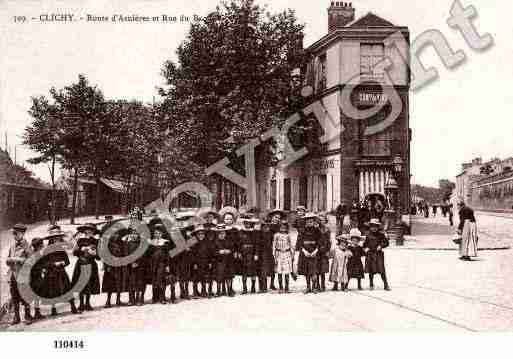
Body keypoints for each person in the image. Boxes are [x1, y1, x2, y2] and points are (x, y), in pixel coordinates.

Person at [43, 226, 78, 315]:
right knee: (52, 291)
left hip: (61, 272)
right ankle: (53, 309)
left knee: (67, 289)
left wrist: (62, 263)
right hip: (51, 274)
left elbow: (67, 261)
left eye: (58, 239)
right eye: (54, 239)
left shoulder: (61, 250)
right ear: (51, 240)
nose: (56, 241)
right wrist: (54, 264)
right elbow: (44, 263)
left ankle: (73, 306)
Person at [6, 223, 33, 325]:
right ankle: (16, 317)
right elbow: (8, 259)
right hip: (13, 274)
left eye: (15, 233)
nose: (14, 236)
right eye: (13, 234)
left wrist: (18, 259)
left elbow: (31, 260)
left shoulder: (27, 245)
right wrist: (9, 260)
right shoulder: (12, 246)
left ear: (22, 234)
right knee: (14, 296)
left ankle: (27, 316)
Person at [71, 223, 101, 311]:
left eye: (91, 230)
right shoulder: (80, 241)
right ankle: (81, 304)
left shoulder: (96, 241)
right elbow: (74, 253)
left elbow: (99, 257)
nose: (89, 232)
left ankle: (87, 303)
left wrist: (95, 254)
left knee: (89, 284)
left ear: (93, 232)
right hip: (81, 263)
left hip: (91, 264)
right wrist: (81, 249)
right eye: (87, 230)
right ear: (84, 231)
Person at [101, 228, 129, 308]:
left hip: (119, 266)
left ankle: (118, 300)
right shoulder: (108, 244)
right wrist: (107, 265)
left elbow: (125, 254)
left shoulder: (122, 243)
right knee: (109, 284)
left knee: (119, 283)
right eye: (114, 234)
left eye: (117, 234)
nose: (116, 236)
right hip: (110, 266)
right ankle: (108, 301)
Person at [296, 213, 321, 294]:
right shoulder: (302, 231)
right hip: (305, 253)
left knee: (314, 271)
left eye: (311, 221)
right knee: (306, 272)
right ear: (305, 222)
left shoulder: (317, 231)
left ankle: (314, 287)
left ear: (314, 222)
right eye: (308, 221)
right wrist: (304, 251)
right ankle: (308, 287)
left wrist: (316, 251)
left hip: (314, 253)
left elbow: (320, 242)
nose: (310, 223)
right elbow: (299, 243)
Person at [363, 219, 390, 291]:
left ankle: (385, 284)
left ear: (378, 227)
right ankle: (371, 284)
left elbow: (386, 243)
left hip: (378, 254)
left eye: (375, 226)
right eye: (372, 226)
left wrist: (381, 246)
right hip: (370, 254)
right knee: (371, 270)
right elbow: (365, 244)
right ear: (370, 227)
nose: (374, 228)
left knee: (381, 270)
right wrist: (365, 248)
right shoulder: (368, 235)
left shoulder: (381, 235)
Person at [125, 228, 148, 306]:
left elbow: (143, 255)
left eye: (136, 233)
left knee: (140, 282)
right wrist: (131, 262)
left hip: (141, 266)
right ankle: (131, 299)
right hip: (130, 266)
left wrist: (137, 262)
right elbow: (126, 254)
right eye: (133, 233)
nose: (134, 235)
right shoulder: (128, 243)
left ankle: (140, 299)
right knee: (131, 282)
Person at [148, 224, 171, 304]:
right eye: (155, 233)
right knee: (154, 280)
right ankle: (155, 297)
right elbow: (148, 254)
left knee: (161, 280)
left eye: (158, 233)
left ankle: (162, 298)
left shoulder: (165, 242)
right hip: (153, 264)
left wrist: (167, 265)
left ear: (161, 234)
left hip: (162, 264)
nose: (157, 235)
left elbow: (167, 255)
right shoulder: (151, 242)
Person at [191, 225, 214, 298]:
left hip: (205, 262)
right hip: (197, 263)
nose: (201, 235)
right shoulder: (194, 243)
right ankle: (195, 291)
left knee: (204, 277)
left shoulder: (207, 242)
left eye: (202, 234)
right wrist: (194, 263)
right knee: (196, 277)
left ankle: (204, 291)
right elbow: (192, 254)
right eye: (199, 234)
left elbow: (210, 253)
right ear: (196, 235)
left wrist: (210, 262)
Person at [272, 220, 294, 293]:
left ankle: (287, 287)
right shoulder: (276, 235)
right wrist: (274, 255)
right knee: (279, 271)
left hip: (287, 254)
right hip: (279, 253)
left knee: (287, 271)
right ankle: (281, 287)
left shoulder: (288, 235)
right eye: (281, 227)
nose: (283, 228)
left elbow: (291, 245)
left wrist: (292, 255)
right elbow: (274, 246)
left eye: (284, 227)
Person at [239, 218, 260, 294]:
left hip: (252, 253)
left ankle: (253, 287)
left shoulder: (255, 232)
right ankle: (244, 288)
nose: (247, 225)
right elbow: (238, 243)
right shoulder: (241, 232)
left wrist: (256, 254)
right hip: (244, 253)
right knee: (244, 271)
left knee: (253, 271)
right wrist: (239, 252)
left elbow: (257, 244)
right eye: (246, 223)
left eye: (249, 223)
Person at [214, 225, 235, 296]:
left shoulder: (228, 241)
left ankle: (229, 290)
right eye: (220, 233)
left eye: (223, 233)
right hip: (219, 261)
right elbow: (212, 252)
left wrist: (229, 251)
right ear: (217, 234)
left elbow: (232, 249)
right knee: (219, 276)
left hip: (228, 261)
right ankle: (218, 291)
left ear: (225, 233)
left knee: (229, 276)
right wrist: (219, 252)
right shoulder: (215, 242)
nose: (221, 235)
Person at [268, 209, 286, 290]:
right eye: (275, 217)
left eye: (279, 218)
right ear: (272, 217)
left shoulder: (280, 227)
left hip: (277, 248)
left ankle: (272, 283)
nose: (277, 219)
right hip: (268, 247)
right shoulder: (267, 225)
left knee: (275, 266)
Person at [222, 211, 239, 296]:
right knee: (223, 271)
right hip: (222, 253)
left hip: (231, 253)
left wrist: (236, 251)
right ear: (224, 220)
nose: (228, 220)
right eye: (227, 219)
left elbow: (237, 242)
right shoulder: (221, 229)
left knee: (230, 272)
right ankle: (223, 289)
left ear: (233, 220)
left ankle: (230, 288)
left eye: (230, 219)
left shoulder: (235, 230)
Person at [28, 237, 45, 321]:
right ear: (38, 246)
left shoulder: (36, 253)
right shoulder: (35, 255)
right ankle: (36, 312)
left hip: (36, 276)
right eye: (42, 245)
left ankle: (37, 312)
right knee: (36, 295)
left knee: (37, 295)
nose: (43, 246)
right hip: (35, 277)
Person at [257, 220, 274, 293]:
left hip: (267, 254)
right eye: (264, 226)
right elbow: (257, 244)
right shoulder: (259, 234)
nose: (266, 228)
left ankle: (264, 287)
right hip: (260, 254)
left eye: (267, 226)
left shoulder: (270, 234)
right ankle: (261, 287)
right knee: (260, 271)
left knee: (264, 271)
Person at [316, 213, 331, 292]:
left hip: (324, 251)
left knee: (323, 269)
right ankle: (317, 285)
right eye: (320, 220)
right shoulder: (316, 229)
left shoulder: (327, 230)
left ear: (326, 221)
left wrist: (328, 250)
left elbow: (329, 241)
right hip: (317, 251)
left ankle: (323, 285)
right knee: (317, 269)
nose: (322, 222)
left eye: (324, 220)